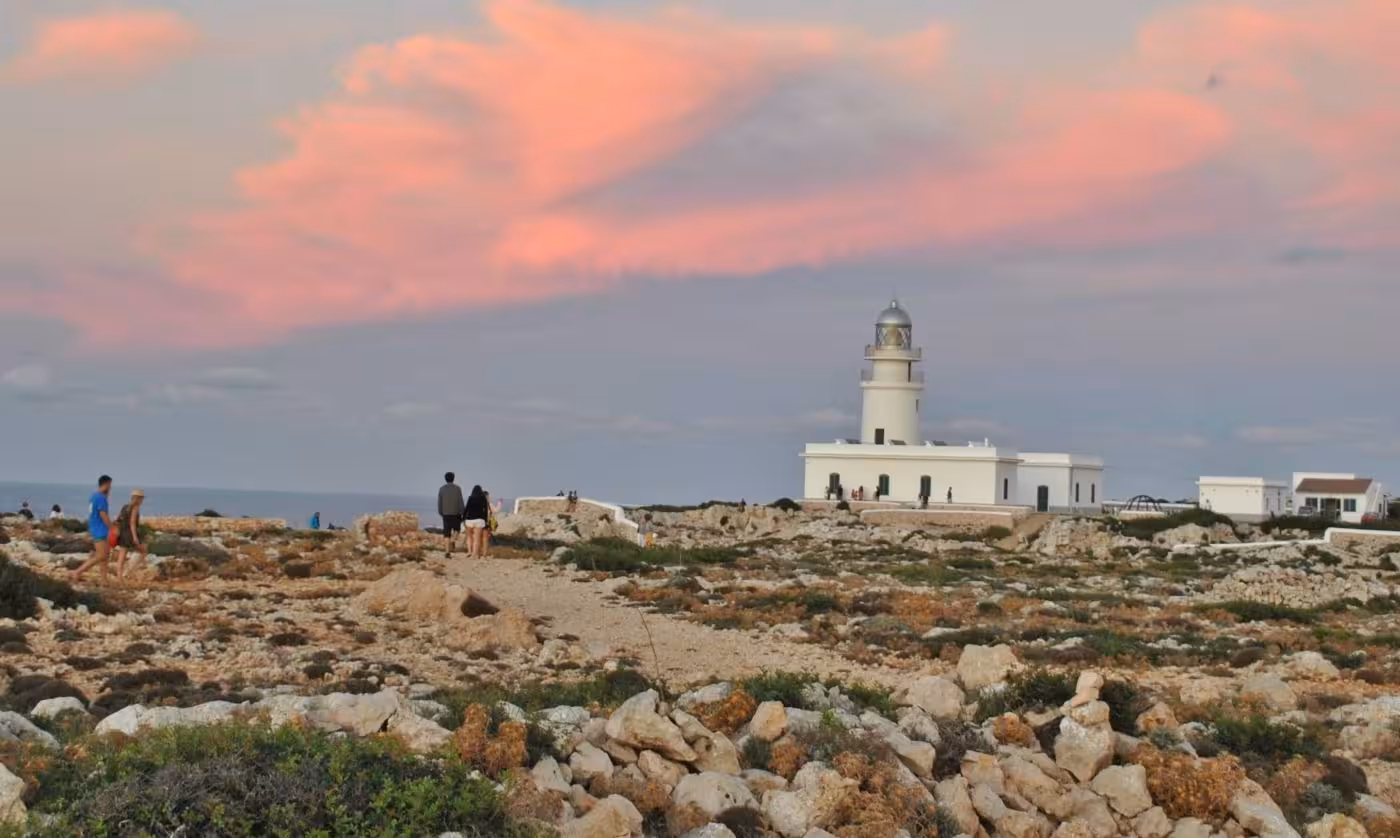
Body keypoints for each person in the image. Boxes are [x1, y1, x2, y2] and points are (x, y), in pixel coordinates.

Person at [72, 475, 114, 584]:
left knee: (105, 555)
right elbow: (103, 514)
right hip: (100, 529)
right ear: (105, 484)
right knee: (101, 555)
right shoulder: (101, 498)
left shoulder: (94, 496)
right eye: (110, 485)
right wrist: (112, 528)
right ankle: (77, 572)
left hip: (96, 528)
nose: (110, 488)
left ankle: (104, 580)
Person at [113, 489, 148, 580]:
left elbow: (117, 519)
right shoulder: (135, 508)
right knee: (143, 551)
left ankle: (119, 577)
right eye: (141, 498)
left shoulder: (125, 507)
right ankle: (128, 572)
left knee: (122, 556)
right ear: (139, 499)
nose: (142, 500)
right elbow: (132, 523)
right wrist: (135, 537)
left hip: (122, 533)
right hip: (130, 534)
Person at [438, 472, 465, 557]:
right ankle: (453, 541)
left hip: (445, 514)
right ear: (453, 478)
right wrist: (463, 512)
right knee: (457, 530)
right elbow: (460, 501)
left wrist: (441, 512)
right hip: (456, 513)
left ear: (445, 478)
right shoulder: (457, 488)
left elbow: (439, 502)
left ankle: (447, 552)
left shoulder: (441, 489)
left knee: (446, 533)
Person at [463, 485, 490, 559]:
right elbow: (485, 511)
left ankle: (469, 551)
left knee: (469, 537)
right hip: (479, 520)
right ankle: (474, 554)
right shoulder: (483, 499)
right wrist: (485, 520)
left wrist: (463, 518)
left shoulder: (470, 498)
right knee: (477, 539)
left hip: (469, 520)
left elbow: (466, 509)